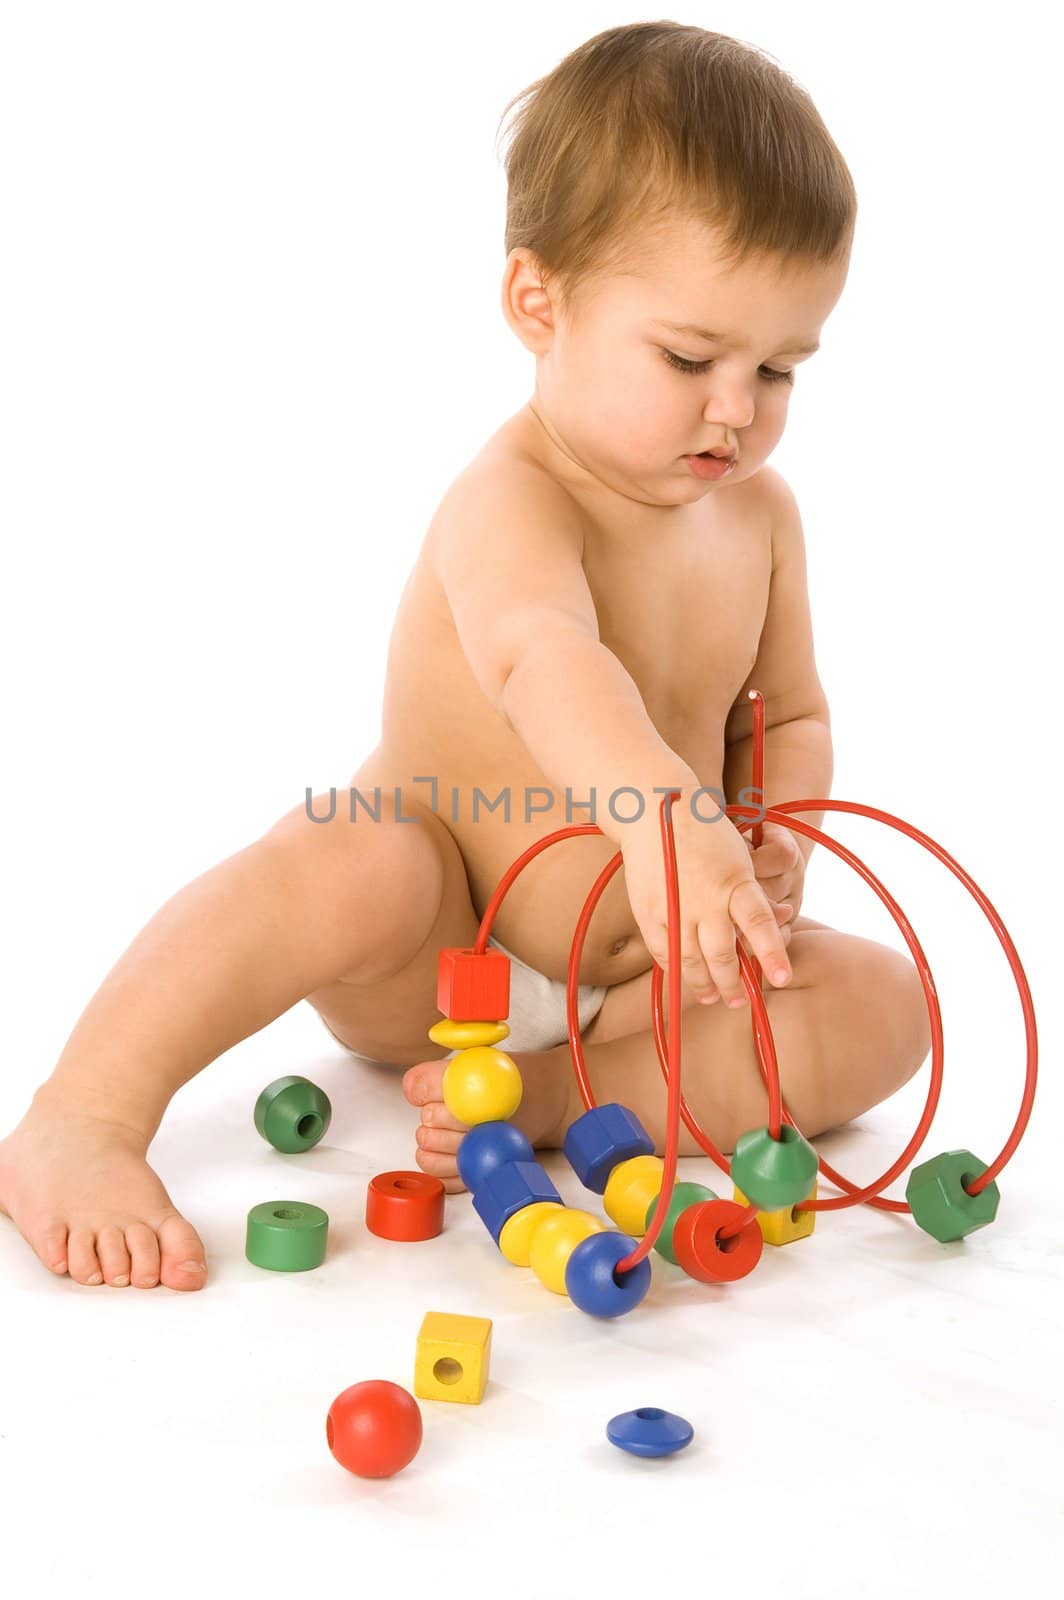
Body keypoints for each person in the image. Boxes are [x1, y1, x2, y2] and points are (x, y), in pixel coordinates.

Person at [0, 22, 930, 1292]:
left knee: (887, 1005)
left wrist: (766, 838)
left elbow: (794, 713)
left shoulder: (762, 519)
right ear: (536, 303)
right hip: (448, 944)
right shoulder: (513, 500)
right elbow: (542, 661)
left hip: (632, 976)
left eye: (778, 367)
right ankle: (82, 1114)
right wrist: (665, 826)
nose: (736, 406)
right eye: (687, 356)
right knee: (345, 852)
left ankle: (560, 1098)